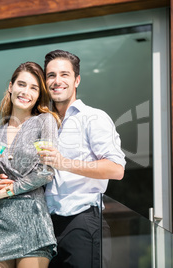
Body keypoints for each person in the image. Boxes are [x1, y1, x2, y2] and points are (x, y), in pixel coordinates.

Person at [38, 50, 126, 267]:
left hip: (81, 221)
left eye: (64, 75)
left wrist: (63, 163)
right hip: (44, 227)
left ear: (76, 80)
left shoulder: (93, 118)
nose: (57, 81)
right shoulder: (41, 124)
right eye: (51, 75)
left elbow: (116, 169)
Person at [0, 61, 61, 268]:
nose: (25, 92)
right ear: (11, 87)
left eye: (33, 88)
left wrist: (0, 193)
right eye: (21, 84)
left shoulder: (45, 121)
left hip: (33, 222)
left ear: (38, 95)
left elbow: (46, 173)